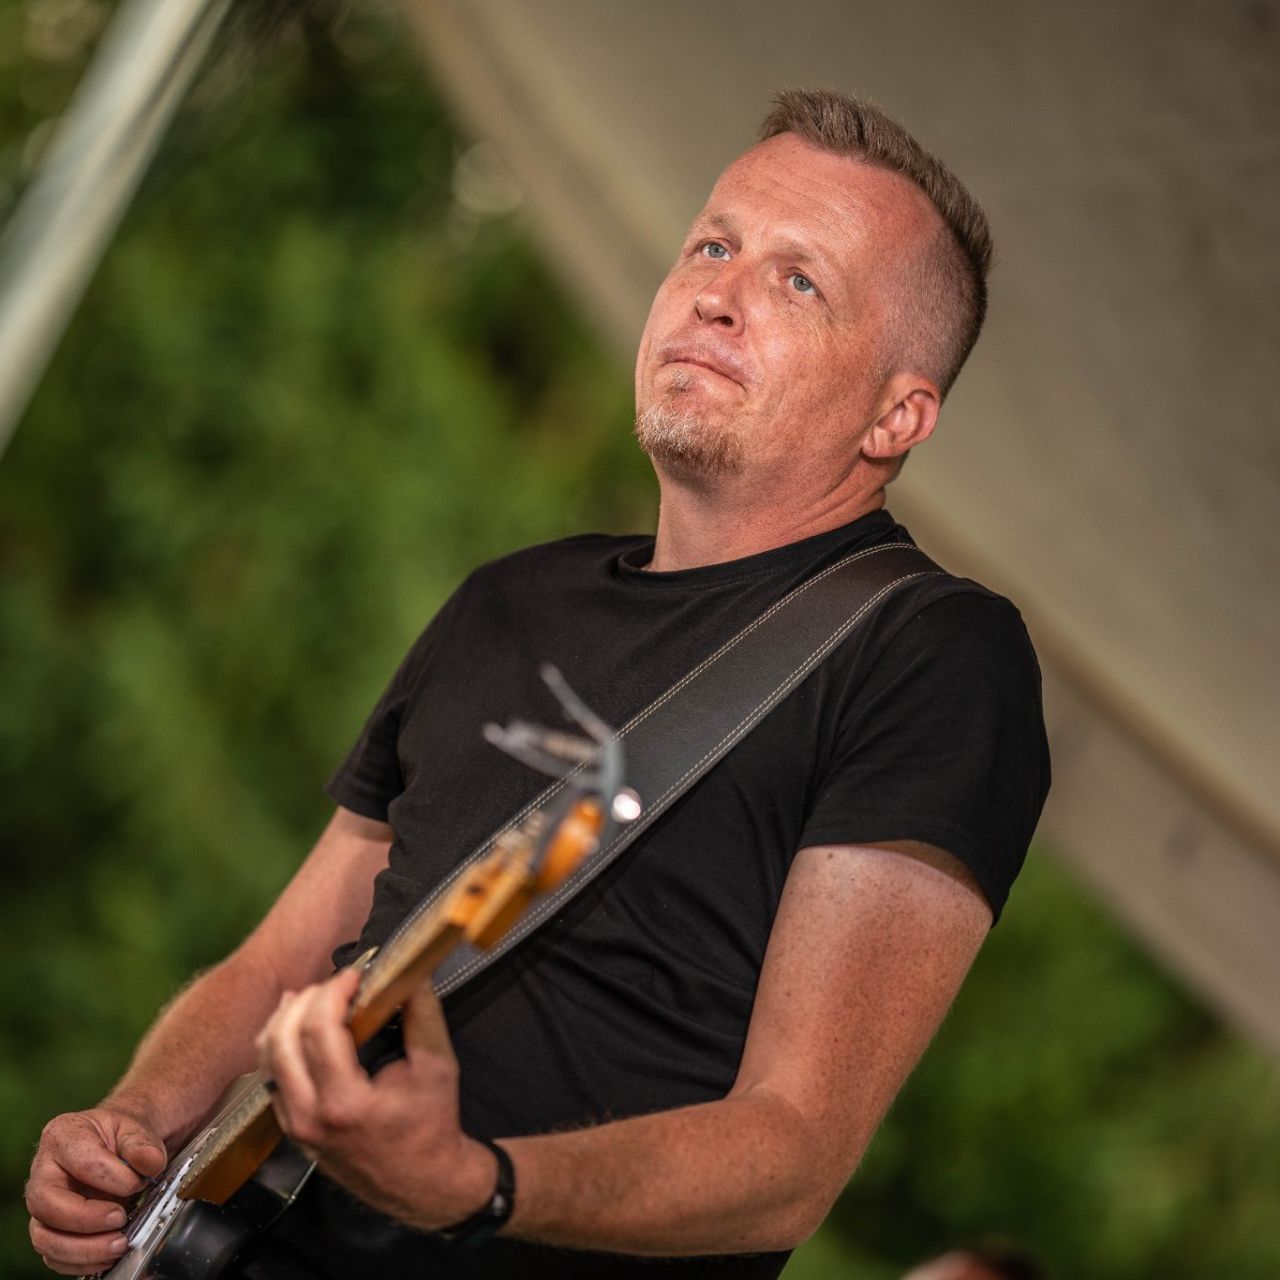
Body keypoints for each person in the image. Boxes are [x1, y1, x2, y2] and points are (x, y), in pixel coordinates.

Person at [26, 89, 1050, 1278]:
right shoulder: (507, 599)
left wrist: (479, 1185)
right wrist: (130, 1127)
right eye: (710, 245)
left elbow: (791, 1149)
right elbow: (282, 960)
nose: (716, 293)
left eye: (798, 280)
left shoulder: (930, 652)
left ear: (895, 415)